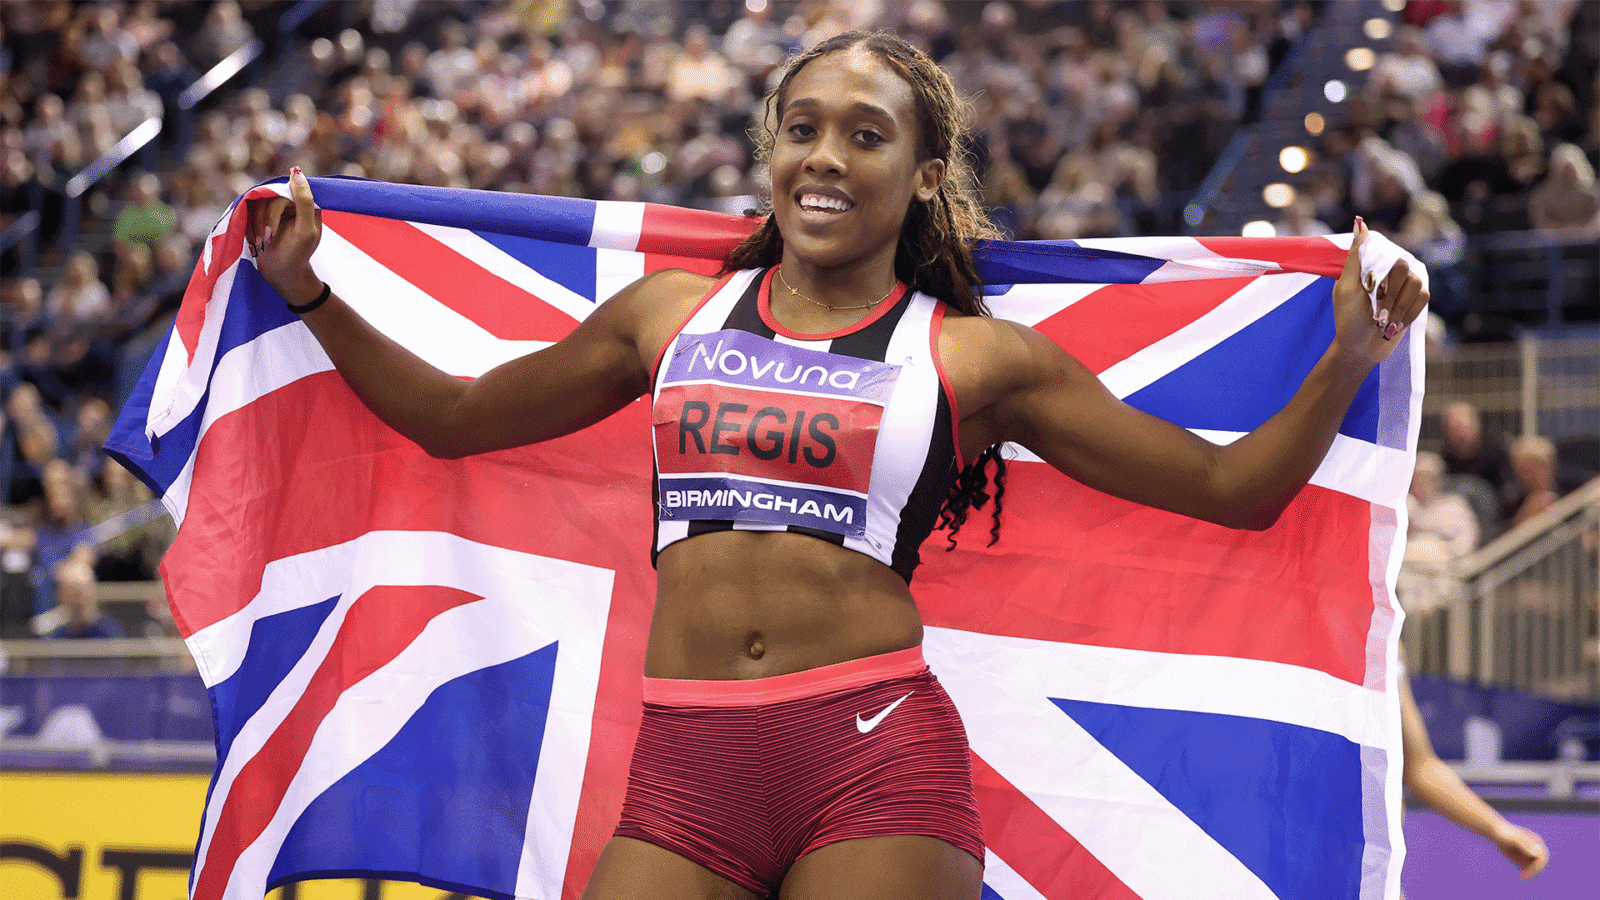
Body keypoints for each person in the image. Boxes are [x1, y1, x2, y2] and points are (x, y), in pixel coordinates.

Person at [245, 31, 1428, 900]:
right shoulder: (666, 317)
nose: (824, 157)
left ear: (923, 174)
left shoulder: (978, 359)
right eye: (801, 128)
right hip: (683, 765)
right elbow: (453, 417)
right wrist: (308, 291)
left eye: (866, 136)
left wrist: (1349, 355)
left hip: (873, 761)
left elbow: (1232, 491)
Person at [1398, 666, 1549, 894]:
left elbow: (1420, 765)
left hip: (1375, 867)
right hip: (1337, 857)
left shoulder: (1390, 650)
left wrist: (1498, 829)